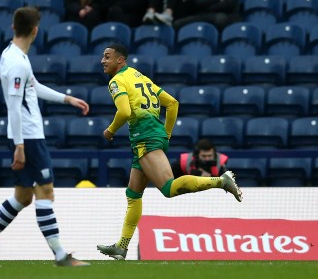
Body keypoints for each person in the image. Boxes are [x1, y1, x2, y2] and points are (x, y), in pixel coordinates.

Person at [96, 43, 243, 260]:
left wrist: (110, 130)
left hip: (144, 137)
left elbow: (125, 111)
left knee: (168, 188)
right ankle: (122, 246)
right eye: (103, 57)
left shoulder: (117, 81)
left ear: (121, 60)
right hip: (152, 136)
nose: (103, 60)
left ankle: (221, 181)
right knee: (133, 195)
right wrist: (167, 134)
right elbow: (172, 103)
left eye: (107, 56)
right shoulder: (140, 77)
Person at [0, 7, 90, 267]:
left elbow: (33, 85)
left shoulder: (15, 57)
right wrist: (20, 146)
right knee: (45, 190)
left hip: (26, 136)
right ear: (35, 30)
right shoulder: (15, 62)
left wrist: (66, 98)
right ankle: (60, 254)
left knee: (23, 196)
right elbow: (13, 106)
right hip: (29, 137)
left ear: (13, 27)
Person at [173, 0, 241, 31]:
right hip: (201, 15)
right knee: (177, 23)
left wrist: (206, 2)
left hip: (225, 15)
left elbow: (228, 4)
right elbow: (198, 1)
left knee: (221, 19)